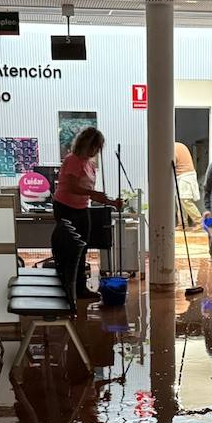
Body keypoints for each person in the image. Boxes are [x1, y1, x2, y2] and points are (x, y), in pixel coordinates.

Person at [53, 126, 121, 301]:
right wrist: (93, 194)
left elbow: (89, 190)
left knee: (82, 248)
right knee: (71, 249)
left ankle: (80, 287)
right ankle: (69, 287)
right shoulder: (72, 160)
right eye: (94, 147)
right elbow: (73, 187)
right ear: (85, 144)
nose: (95, 151)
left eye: (98, 148)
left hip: (82, 207)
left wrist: (112, 203)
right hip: (66, 207)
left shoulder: (89, 164)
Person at [173, 141, 202, 228]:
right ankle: (182, 224)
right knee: (179, 201)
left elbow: (171, 164)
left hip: (185, 175)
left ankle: (199, 222)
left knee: (184, 199)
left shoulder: (172, 148)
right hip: (183, 175)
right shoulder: (178, 145)